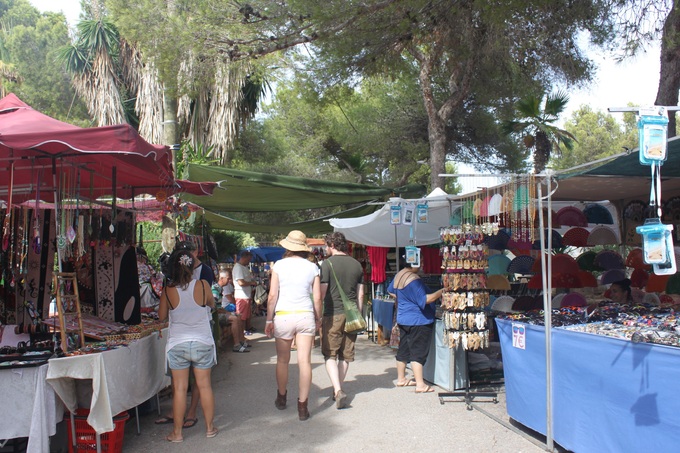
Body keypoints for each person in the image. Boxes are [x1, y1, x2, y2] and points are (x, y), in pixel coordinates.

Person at [158, 249, 218, 442]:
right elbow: (212, 305)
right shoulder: (202, 285)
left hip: (177, 344)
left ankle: (177, 433)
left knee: (180, 389)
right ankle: (210, 428)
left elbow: (161, 317)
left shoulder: (168, 290)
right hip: (202, 341)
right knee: (205, 386)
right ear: (192, 267)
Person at [264, 230, 322, 421]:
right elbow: (317, 297)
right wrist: (318, 318)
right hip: (305, 315)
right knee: (304, 361)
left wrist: (269, 319)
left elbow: (272, 296)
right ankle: (303, 407)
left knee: (282, 360)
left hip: (284, 316)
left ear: (288, 246)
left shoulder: (279, 265)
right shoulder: (313, 267)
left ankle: (281, 398)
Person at [319, 232, 364, 409]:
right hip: (351, 314)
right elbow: (360, 294)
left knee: (330, 353)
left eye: (326, 245)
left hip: (333, 313)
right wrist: (357, 314)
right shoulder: (357, 265)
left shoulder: (327, 264)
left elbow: (322, 293)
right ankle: (339, 388)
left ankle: (337, 390)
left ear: (331, 244)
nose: (324, 248)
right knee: (345, 355)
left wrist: (318, 314)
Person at [387, 262, 444, 393]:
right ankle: (420, 385)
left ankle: (401, 379)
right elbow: (426, 299)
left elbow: (391, 291)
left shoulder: (399, 275)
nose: (423, 265)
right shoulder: (413, 280)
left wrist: (404, 299)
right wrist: (442, 292)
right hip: (418, 320)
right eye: (421, 261)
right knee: (418, 352)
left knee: (403, 350)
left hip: (403, 319)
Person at [216, 269, 250, 352]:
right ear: (222, 278)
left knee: (238, 316)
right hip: (215, 316)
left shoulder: (221, 289)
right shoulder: (215, 289)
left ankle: (241, 340)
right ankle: (236, 345)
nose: (229, 280)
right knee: (234, 319)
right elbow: (213, 307)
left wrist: (226, 312)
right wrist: (225, 312)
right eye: (228, 278)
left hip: (220, 312)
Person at [233, 251, 257, 334]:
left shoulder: (244, 267)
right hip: (241, 296)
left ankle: (246, 329)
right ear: (244, 258)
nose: (249, 262)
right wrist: (251, 283)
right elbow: (241, 282)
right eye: (248, 259)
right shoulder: (238, 267)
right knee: (242, 316)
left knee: (246, 315)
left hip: (246, 295)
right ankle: (242, 333)